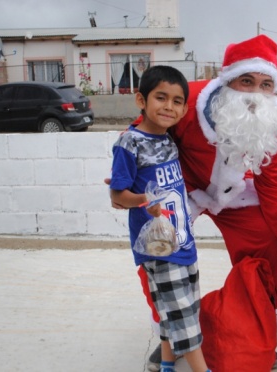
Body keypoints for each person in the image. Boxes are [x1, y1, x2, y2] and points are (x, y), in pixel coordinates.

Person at [109, 35, 277, 370]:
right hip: (184, 189)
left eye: (265, 84)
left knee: (269, 246)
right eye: (246, 80)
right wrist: (130, 168)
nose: (255, 93)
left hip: (241, 198)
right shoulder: (188, 99)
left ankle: (259, 332)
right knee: (157, 248)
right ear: (228, 80)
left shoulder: (275, 124)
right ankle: (171, 332)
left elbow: (273, 187)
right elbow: (149, 126)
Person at [108, 65, 210, 372]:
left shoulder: (168, 140)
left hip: (182, 240)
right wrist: (142, 200)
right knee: (185, 318)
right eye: (161, 97)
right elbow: (117, 196)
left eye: (177, 101)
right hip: (158, 247)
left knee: (177, 309)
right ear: (141, 99)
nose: (169, 106)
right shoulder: (130, 142)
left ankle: (167, 365)